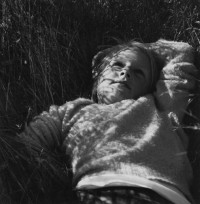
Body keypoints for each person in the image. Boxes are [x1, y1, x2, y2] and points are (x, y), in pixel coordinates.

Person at [19, 39, 198, 204]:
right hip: (97, 192)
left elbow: (180, 51)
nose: (125, 71)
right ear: (98, 75)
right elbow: (26, 144)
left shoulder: (162, 104)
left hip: (163, 196)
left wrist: (140, 48)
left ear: (148, 87)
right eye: (117, 64)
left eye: (138, 73)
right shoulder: (73, 110)